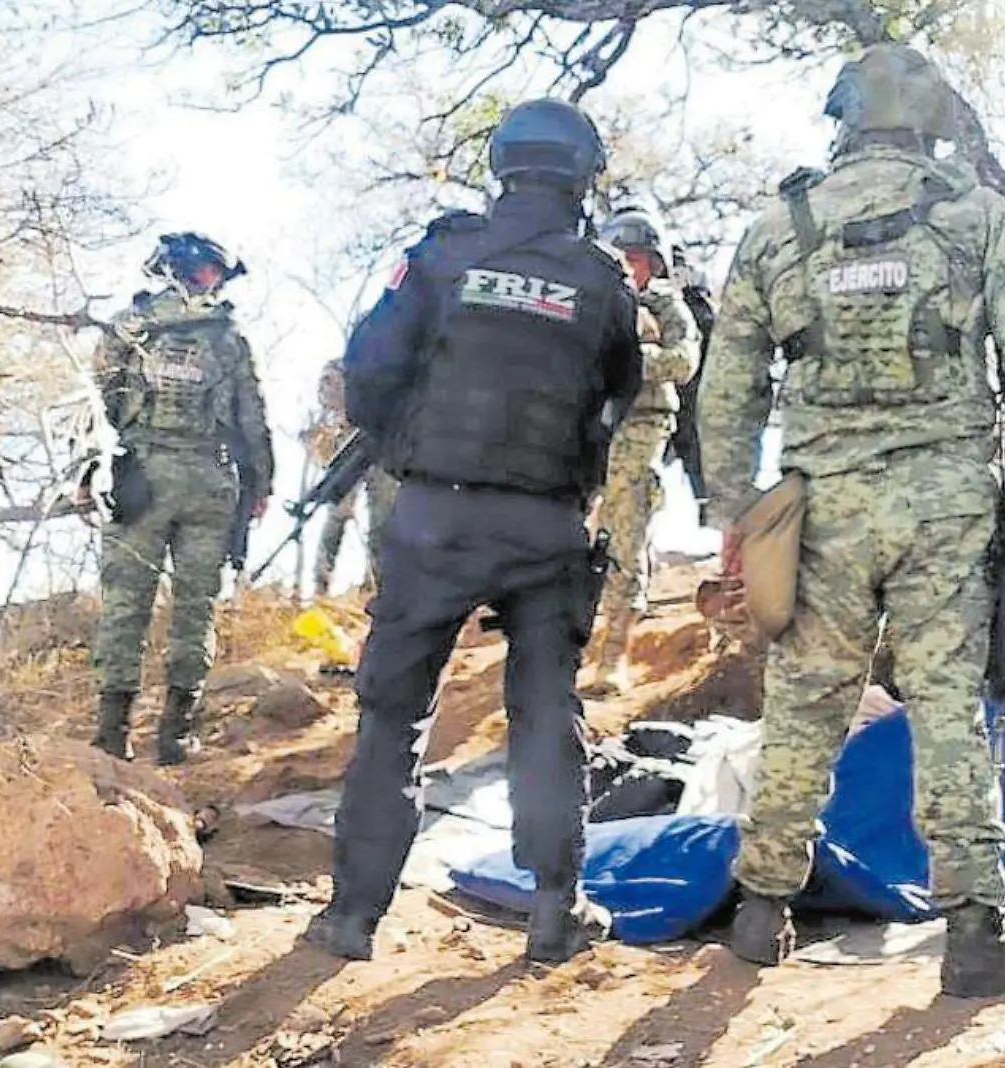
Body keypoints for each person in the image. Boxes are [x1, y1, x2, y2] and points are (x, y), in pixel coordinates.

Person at [697, 43, 1005, 998]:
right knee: (947, 705)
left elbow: (728, 387)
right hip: (946, 504)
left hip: (817, 507)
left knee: (804, 700)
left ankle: (759, 912)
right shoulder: (977, 216)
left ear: (843, 116)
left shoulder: (778, 228)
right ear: (934, 121)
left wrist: (732, 511)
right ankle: (973, 934)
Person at [302, 98, 643, 964]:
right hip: (544, 521)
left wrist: (407, 444)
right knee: (542, 711)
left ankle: (352, 920)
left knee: (393, 718)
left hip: (433, 517)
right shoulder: (602, 279)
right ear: (583, 177)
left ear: (503, 166)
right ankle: (555, 912)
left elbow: (370, 368)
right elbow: (619, 391)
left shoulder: (439, 255)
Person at [90, 232, 273, 765]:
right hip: (206, 482)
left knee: (127, 603)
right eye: (214, 273)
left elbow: (99, 396)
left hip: (142, 477)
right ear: (202, 272)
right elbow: (251, 418)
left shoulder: (129, 325)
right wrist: (260, 483)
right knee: (196, 607)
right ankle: (174, 736)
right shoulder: (229, 339)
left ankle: (113, 734)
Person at [580, 207, 702, 697]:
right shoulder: (593, 300)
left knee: (625, 533)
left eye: (638, 258)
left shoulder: (665, 305)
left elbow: (684, 360)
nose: (630, 267)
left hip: (641, 426)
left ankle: (614, 656)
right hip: (587, 428)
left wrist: (632, 356)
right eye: (621, 257)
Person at [304, 357, 399, 594]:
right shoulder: (344, 365)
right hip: (349, 448)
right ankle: (320, 585)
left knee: (383, 520)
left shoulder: (392, 367)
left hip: (383, 448)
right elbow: (327, 397)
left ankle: (378, 585)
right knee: (337, 515)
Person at [665, 247, 718, 525]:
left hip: (692, 394)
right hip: (669, 393)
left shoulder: (695, 303)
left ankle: (712, 523)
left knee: (699, 462)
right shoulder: (661, 299)